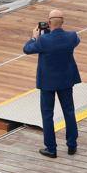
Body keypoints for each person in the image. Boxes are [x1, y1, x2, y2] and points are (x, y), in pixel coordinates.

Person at [23, 9, 81, 158]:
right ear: (63, 22)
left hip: (47, 82)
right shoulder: (72, 37)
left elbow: (27, 49)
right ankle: (72, 145)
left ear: (49, 23)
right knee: (69, 112)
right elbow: (74, 40)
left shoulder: (43, 41)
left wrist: (34, 37)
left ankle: (51, 148)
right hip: (66, 80)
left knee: (47, 115)